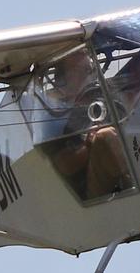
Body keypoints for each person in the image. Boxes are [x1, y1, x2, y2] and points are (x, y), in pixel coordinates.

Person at [43, 51, 131, 201]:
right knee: (105, 136)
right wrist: (88, 145)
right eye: (80, 71)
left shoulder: (108, 98)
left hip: (125, 171)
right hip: (88, 196)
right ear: (62, 79)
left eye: (89, 70)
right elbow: (62, 166)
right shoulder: (56, 119)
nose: (89, 76)